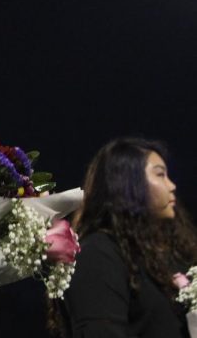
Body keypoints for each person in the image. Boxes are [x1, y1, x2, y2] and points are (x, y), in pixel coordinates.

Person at [57, 137, 197, 337]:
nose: (172, 185)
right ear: (127, 183)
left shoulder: (172, 254)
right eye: (160, 175)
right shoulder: (98, 254)